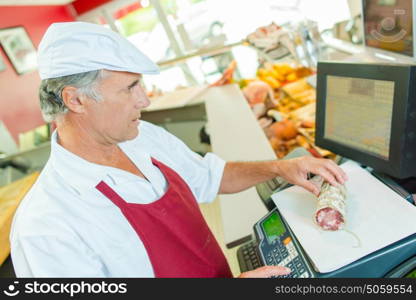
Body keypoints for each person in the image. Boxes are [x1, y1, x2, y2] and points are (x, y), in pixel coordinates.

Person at [10, 22, 347, 278]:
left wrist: (277, 168)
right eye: (130, 88)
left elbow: (211, 177)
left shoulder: (143, 138)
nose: (145, 100)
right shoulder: (46, 227)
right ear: (75, 99)